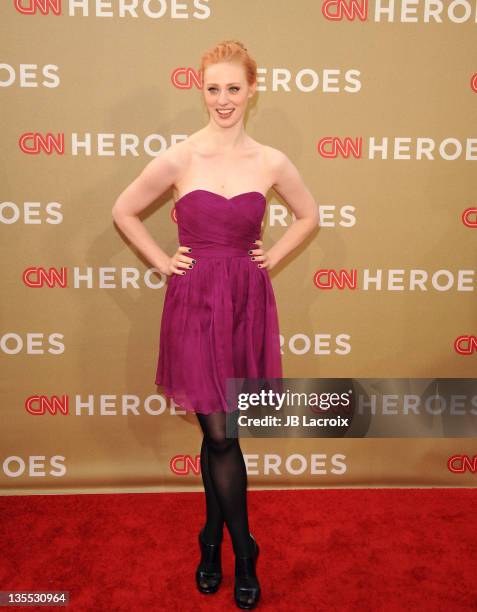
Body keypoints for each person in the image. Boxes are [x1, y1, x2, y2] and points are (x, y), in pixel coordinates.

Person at [112, 40, 319, 610]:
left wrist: (272, 259)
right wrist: (161, 261)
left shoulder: (271, 161)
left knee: (217, 436)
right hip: (195, 302)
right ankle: (245, 549)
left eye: (234, 88)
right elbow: (123, 209)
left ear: (252, 91)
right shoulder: (181, 156)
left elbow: (310, 216)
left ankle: (211, 540)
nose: (223, 99)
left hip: (246, 303)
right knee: (222, 434)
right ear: (199, 90)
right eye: (213, 88)